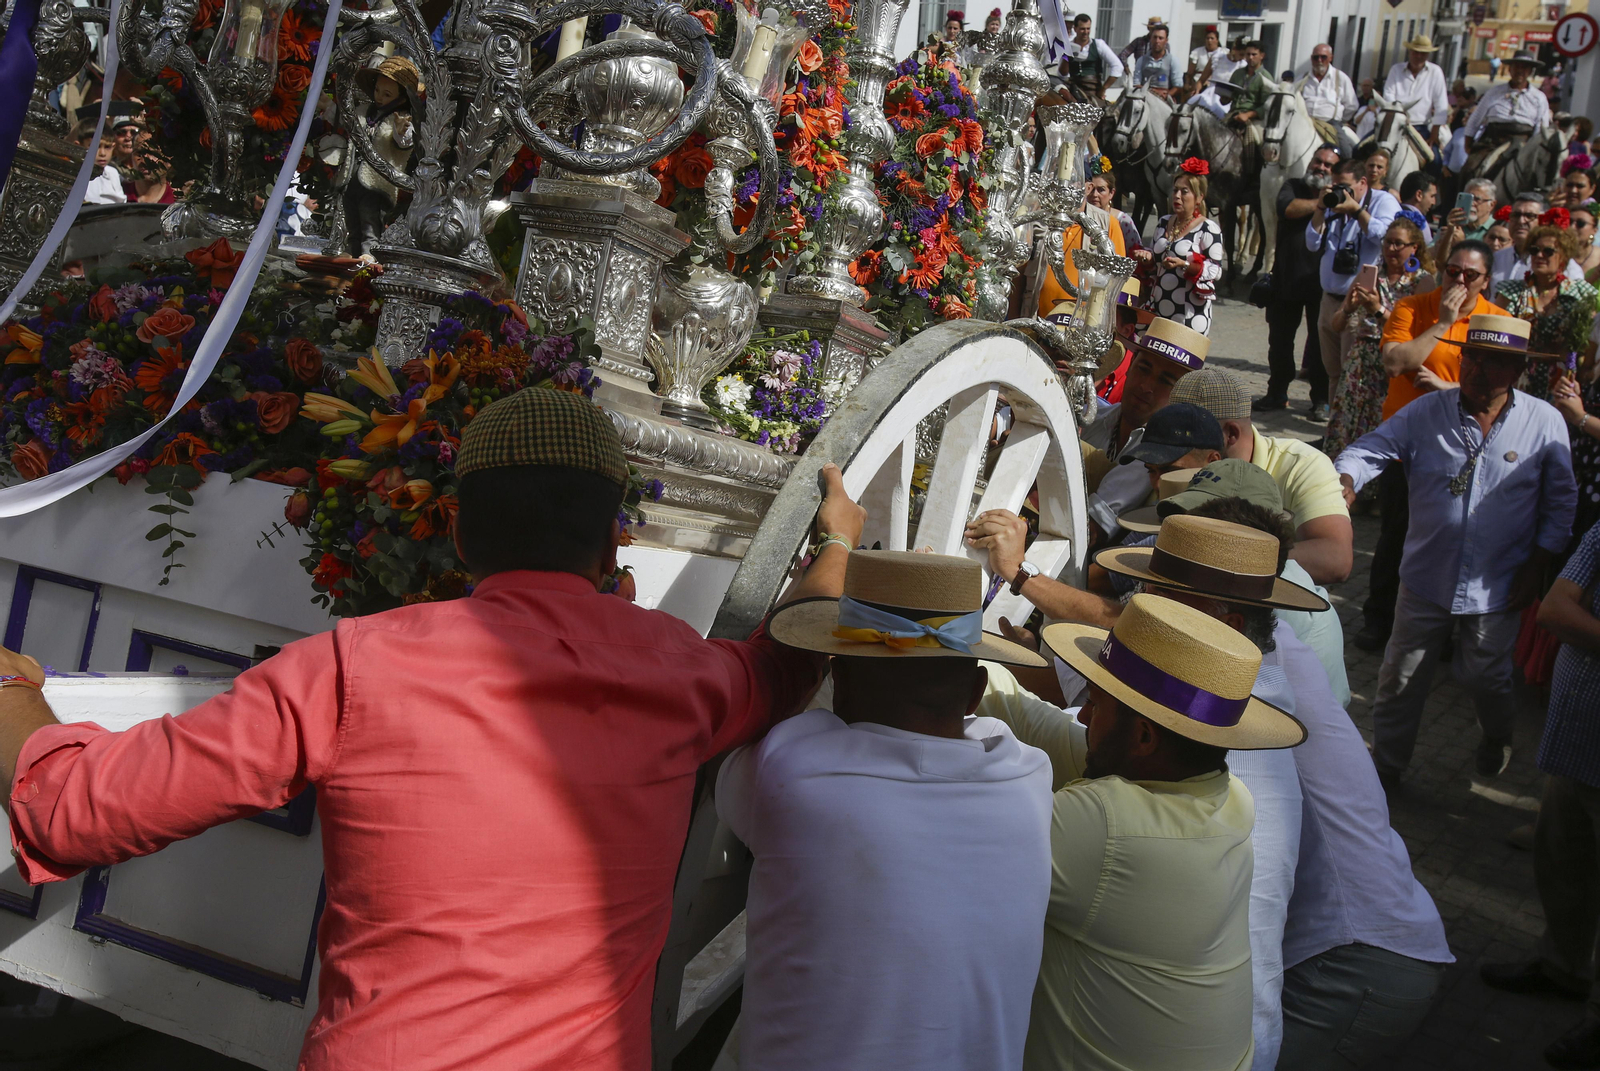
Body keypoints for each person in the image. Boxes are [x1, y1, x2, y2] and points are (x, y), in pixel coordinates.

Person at [0, 388, 863, 1071]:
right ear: (613, 544)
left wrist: (11, 686)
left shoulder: (353, 668)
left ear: (455, 532)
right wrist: (837, 545)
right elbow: (786, 663)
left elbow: (77, 809)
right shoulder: (682, 672)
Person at [722, 550, 1053, 1071]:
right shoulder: (1028, 776)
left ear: (839, 681)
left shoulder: (795, 770)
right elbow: (991, 735)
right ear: (975, 694)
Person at [980, 590, 1305, 1071]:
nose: (1083, 716)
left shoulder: (1104, 827)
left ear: (1145, 737)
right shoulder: (1226, 795)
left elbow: (943, 835)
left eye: (1093, 703)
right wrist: (969, 653)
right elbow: (1044, 724)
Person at [1336, 313, 1577, 784]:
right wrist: (1346, 479)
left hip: (1500, 584)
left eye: (1493, 361)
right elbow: (1370, 449)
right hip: (1426, 578)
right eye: (1471, 356)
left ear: (1517, 371)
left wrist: (1540, 564)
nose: (1477, 369)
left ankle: (1496, 735)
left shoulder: (1544, 422)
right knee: (1399, 680)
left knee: (1486, 678)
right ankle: (1385, 771)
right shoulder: (1427, 412)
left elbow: (1561, 499)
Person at [1353, 240, 1505, 651]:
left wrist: (1449, 390)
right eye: (1452, 271)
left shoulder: (1499, 320)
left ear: (1485, 280)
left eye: (1469, 275)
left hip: (1465, 446)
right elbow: (1395, 362)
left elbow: (1503, 390)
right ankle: (1379, 618)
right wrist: (1441, 323)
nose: (1458, 279)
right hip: (1410, 444)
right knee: (1397, 533)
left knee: (1454, 538)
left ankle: (1441, 632)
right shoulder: (1412, 307)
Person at [1171, 368, 1354, 584]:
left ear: (1231, 434)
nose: (1178, 450)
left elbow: (1334, 557)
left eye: (1189, 439)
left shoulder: (1301, 464)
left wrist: (1220, 558)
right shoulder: (1172, 461)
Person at [1074, 317, 1208, 543]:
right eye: (1143, 369)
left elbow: (1092, 530)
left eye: (1165, 381)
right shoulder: (1092, 418)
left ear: (1183, 395)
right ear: (1131, 364)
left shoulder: (1160, 451)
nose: (1146, 386)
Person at [1325, 218, 1437, 460]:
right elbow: (1336, 325)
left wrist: (1378, 309)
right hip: (1361, 361)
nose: (1391, 249)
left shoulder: (1422, 282)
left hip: (1395, 361)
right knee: (1347, 423)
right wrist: (1349, 309)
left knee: (1381, 426)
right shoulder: (1370, 275)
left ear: (1414, 247)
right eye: (1388, 242)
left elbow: (1418, 334)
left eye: (1399, 244)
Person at [1307, 156, 1401, 388]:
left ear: (1362, 183)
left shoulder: (1383, 202)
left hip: (1358, 303)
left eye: (1346, 187)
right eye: (1337, 186)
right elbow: (1311, 243)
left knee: (1353, 374)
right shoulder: (1332, 205)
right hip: (1328, 300)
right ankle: (1332, 423)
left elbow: (1385, 237)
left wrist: (1357, 211)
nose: (1342, 193)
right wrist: (1320, 207)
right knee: (1333, 372)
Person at [1258, 144, 1338, 416]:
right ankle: (1277, 393)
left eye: (1328, 165)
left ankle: (1320, 400)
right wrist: (1321, 203)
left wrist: (1332, 200)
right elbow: (1287, 209)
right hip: (1285, 280)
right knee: (1279, 343)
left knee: (1319, 347)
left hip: (1322, 286)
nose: (1321, 167)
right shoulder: (1292, 185)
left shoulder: (1341, 197)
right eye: (1318, 161)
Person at [1493, 224, 1599, 402]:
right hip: (1516, 378)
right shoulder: (1511, 293)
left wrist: (1574, 372)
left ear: (1563, 257)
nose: (1539, 256)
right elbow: (1496, 334)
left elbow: (1587, 343)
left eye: (1548, 251)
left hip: (1561, 382)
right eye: (1534, 250)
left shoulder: (1580, 293)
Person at [1135, 161, 1224, 333]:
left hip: (1189, 313)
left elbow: (1215, 270)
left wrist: (1185, 265)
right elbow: (1156, 260)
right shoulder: (1163, 222)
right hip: (1159, 307)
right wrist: (1148, 258)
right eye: (1175, 190)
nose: (1177, 196)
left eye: (1184, 192)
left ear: (1199, 198)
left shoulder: (1208, 228)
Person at [345, 57, 420, 259]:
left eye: (387, 94)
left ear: (402, 98)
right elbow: (347, 123)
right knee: (351, 219)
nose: (379, 97)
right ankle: (350, 252)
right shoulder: (365, 112)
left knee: (370, 219)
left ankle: (369, 252)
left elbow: (403, 143)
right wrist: (328, 108)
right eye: (378, 90)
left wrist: (400, 131)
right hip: (353, 178)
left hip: (377, 182)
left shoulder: (401, 120)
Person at [1463, 48, 1551, 174]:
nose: (1520, 71)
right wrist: (1468, 145)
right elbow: (1475, 120)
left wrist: (1532, 150)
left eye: (1525, 67)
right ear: (1510, 69)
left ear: (1531, 71)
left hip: (1524, 145)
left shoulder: (1539, 98)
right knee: (1469, 168)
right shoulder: (1493, 93)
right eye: (1516, 67)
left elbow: (1541, 129)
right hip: (1493, 143)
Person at [1489, 194, 1586, 289]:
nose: (1521, 221)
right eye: (1516, 215)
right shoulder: (1495, 258)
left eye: (1530, 216)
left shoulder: (1565, 266)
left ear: (1544, 220)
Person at [1381, 34, 1450, 143]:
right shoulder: (1396, 70)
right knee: (1360, 149)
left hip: (1420, 126)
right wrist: (1400, 115)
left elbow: (1441, 103)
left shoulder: (1435, 72)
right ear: (1409, 52)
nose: (1418, 56)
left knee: (1435, 159)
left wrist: (1434, 133)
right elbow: (1388, 95)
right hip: (1394, 123)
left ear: (1428, 55)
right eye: (1415, 52)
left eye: (1423, 54)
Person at [1301, 45, 1358, 147]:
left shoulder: (1341, 78)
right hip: (1305, 123)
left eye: (1323, 57)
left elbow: (1352, 105)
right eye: (1316, 57)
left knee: (1346, 151)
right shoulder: (1302, 78)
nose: (1319, 60)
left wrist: (1339, 119)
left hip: (1331, 125)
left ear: (1331, 58)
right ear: (1311, 58)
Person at [1062, 13, 1122, 99]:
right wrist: (1066, 57)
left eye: (1088, 29)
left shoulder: (1098, 44)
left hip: (1092, 88)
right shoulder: (1068, 45)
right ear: (1075, 29)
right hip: (1072, 87)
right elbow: (1062, 73)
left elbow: (1118, 66)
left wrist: (1104, 88)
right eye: (1082, 29)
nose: (1086, 32)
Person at [1227, 40, 1273, 130]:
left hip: (1254, 120)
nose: (1250, 57)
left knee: (1252, 141)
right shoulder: (1237, 73)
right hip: (1233, 115)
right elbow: (1230, 95)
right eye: (1248, 54)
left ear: (1262, 56)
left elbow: (1267, 105)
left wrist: (1248, 115)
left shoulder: (1266, 78)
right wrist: (1225, 99)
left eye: (1254, 54)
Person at [1130, 23, 1180, 98]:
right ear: (1150, 39)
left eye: (1160, 38)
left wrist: (1167, 95)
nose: (1157, 41)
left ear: (1166, 40)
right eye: (1155, 37)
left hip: (1165, 99)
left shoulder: (1173, 60)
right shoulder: (1141, 60)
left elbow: (1178, 85)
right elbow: (1136, 83)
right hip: (1144, 97)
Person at [84, 133, 127, 206]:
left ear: (113, 147)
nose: (102, 153)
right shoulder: (77, 175)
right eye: (96, 147)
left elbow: (121, 201)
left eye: (107, 147)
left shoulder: (112, 172)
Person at [1398, 170, 1437, 242]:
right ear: (1419, 195)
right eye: (1432, 196)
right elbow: (1429, 251)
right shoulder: (1419, 222)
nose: (1434, 202)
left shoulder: (1392, 212)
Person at [1187, 25, 1223, 94]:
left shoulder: (1223, 53)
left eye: (1212, 38)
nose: (1209, 41)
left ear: (1217, 40)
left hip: (1216, 81)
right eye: (1207, 38)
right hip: (1198, 80)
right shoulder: (1197, 52)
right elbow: (1190, 72)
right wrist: (1189, 83)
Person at [1572, 199, 1600, 285]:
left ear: (1594, 230)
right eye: (1569, 222)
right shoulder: (1554, 254)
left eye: (1580, 223)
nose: (1572, 227)